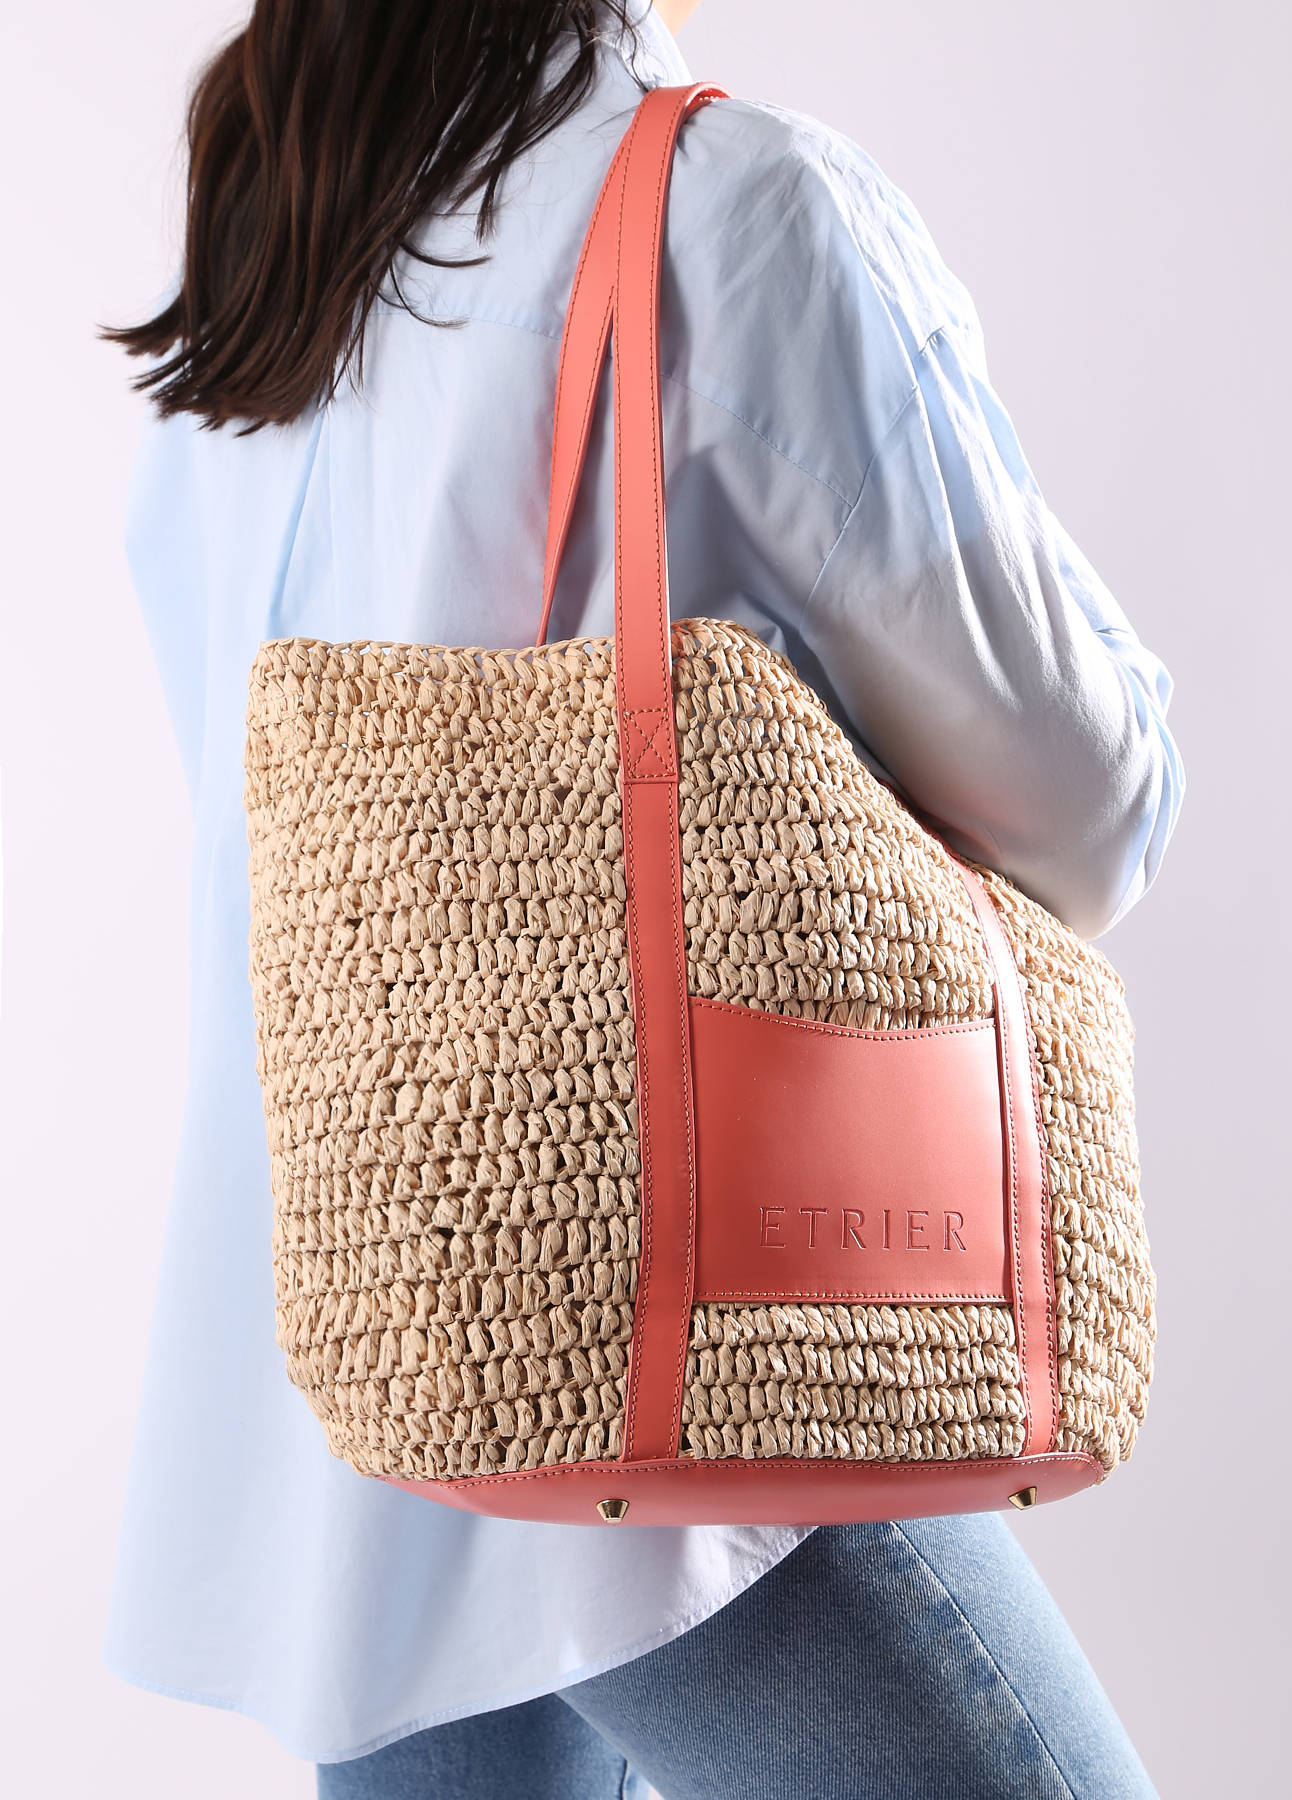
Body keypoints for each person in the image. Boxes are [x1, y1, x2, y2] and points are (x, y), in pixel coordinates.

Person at [103, 2, 1183, 1794]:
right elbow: (1086, 801)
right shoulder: (732, 205)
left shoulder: (265, 233)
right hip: (670, 1319)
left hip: (370, 1328)